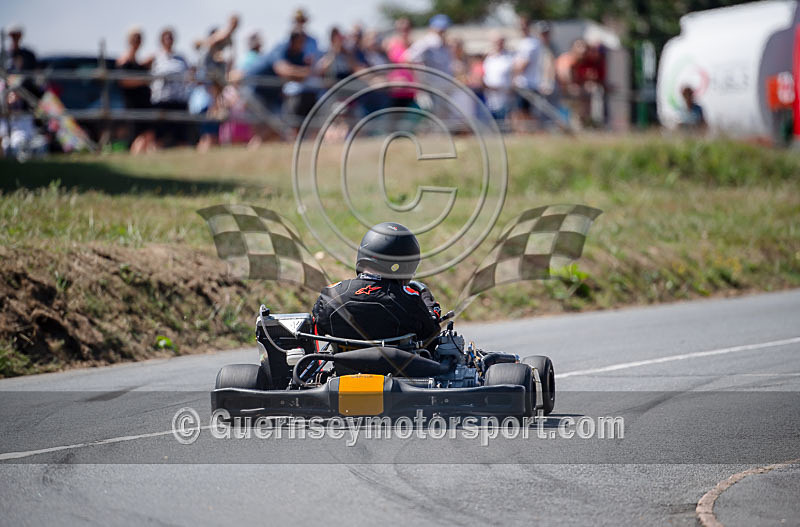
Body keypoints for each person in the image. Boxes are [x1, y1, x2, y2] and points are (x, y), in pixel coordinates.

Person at [312, 223, 441, 346]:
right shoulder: (410, 301)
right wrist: (429, 306)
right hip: (396, 367)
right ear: (404, 264)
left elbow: (319, 328)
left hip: (342, 366)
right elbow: (430, 333)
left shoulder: (330, 295)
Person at [116, 26, 155, 153]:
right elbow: (123, 81)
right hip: (134, 104)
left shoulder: (136, 60)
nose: (138, 41)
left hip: (143, 103)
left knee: (147, 134)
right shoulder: (124, 59)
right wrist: (143, 80)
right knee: (139, 135)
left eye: (139, 38)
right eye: (135, 38)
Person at [149, 27, 190, 145]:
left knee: (181, 135)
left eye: (170, 38)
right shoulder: (155, 57)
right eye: (166, 38)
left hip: (178, 99)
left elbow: (189, 75)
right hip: (161, 100)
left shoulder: (181, 58)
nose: (168, 40)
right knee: (159, 135)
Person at [482, 33, 514, 126]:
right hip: (490, 96)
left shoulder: (509, 57)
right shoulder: (488, 58)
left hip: (505, 95)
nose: (498, 44)